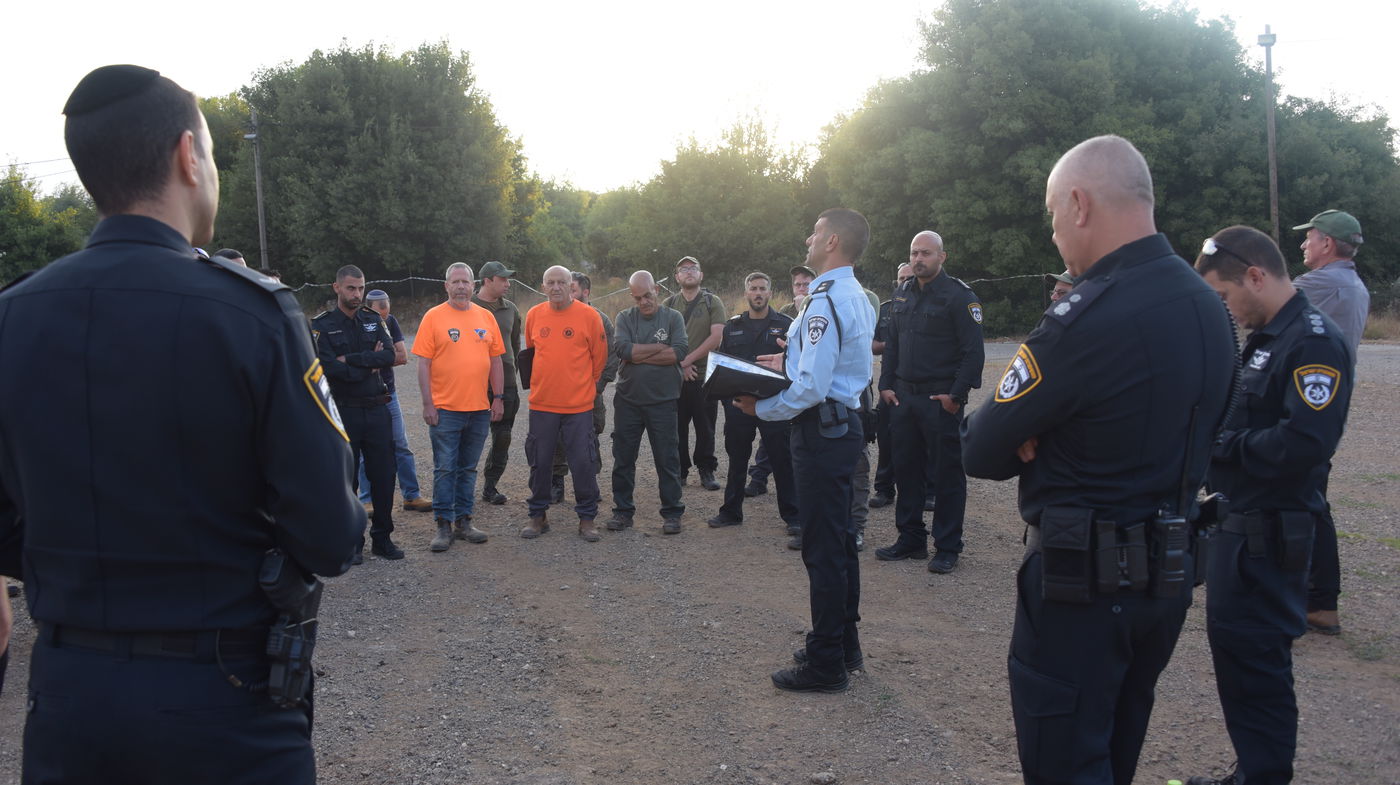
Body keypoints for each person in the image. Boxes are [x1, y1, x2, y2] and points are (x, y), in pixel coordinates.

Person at [0, 64, 361, 783]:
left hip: (69, 698)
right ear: (187, 158)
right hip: (223, 698)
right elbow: (330, 532)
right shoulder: (253, 313)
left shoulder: (12, 316)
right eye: (215, 155)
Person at [962, 135, 1234, 785]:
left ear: (1079, 204)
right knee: (1116, 749)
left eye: (1054, 216)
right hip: (1163, 582)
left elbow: (981, 445)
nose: (1055, 235)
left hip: (1080, 587)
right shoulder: (1210, 308)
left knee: (1065, 761)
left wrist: (1040, 434)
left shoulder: (1084, 318)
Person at [1185, 226, 1354, 785]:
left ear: (1255, 276)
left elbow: (1305, 444)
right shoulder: (1266, 337)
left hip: (1271, 536)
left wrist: (1219, 447)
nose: (1227, 309)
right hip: (1241, 525)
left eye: (1227, 296)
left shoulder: (1312, 342)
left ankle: (1263, 777)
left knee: (1258, 670)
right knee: (1239, 665)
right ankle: (1251, 772)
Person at [735, 208, 875, 693]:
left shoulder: (824, 301)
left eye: (815, 233)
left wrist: (763, 409)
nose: (808, 239)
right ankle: (843, 644)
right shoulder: (853, 294)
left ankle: (825, 663)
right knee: (838, 544)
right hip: (842, 429)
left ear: (832, 241)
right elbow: (831, 363)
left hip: (821, 432)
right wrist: (787, 358)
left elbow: (814, 386)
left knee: (822, 550)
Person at [875, 231, 984, 574]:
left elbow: (973, 353)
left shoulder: (959, 297)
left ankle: (948, 546)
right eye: (914, 253)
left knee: (947, 475)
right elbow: (891, 344)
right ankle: (911, 539)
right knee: (906, 470)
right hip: (903, 397)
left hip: (940, 400)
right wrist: (886, 384)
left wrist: (956, 396)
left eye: (925, 253)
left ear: (942, 257)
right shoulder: (902, 293)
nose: (918, 259)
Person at [1291, 209, 1370, 636]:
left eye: (1310, 237)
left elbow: (1263, 301)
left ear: (1327, 244)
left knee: (1306, 503)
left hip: (1313, 406)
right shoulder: (1351, 283)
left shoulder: (1322, 283)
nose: (1304, 244)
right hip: (1329, 405)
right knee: (1312, 500)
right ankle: (1319, 602)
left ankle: (1318, 601)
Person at [313, 266, 405, 561]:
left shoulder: (372, 319)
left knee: (383, 477)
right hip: (345, 412)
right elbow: (327, 368)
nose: (357, 294)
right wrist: (368, 365)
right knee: (347, 480)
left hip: (377, 409)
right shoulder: (322, 326)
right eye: (351, 288)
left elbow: (390, 355)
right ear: (336, 288)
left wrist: (351, 361)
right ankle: (352, 542)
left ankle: (383, 538)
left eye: (361, 288)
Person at [414, 262, 506, 552]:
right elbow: (423, 364)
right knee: (445, 469)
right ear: (446, 286)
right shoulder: (433, 317)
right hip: (445, 411)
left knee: (468, 469)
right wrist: (428, 404)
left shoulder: (486, 317)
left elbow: (496, 361)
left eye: (465, 282)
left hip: (478, 410)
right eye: (455, 282)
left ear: (473, 284)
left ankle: (464, 521)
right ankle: (443, 524)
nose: (461, 287)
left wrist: (498, 397)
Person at [706, 272, 799, 538]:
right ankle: (730, 512)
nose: (758, 293)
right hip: (740, 406)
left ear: (770, 293)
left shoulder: (786, 325)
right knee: (737, 460)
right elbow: (722, 367)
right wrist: (727, 400)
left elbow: (794, 365)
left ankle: (793, 516)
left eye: (762, 289)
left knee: (783, 461)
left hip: (774, 405)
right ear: (746, 294)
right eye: (753, 289)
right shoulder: (732, 326)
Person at [521, 266, 609, 540]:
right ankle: (538, 515)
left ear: (572, 286)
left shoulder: (589, 316)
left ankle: (586, 518)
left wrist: (585, 388)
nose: (556, 287)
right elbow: (533, 354)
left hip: (579, 407)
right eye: (551, 283)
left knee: (583, 462)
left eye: (562, 282)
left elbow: (600, 358)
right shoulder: (534, 315)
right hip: (542, 404)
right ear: (543, 286)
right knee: (540, 461)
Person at [610, 271, 689, 534]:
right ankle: (622, 512)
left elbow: (678, 352)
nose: (644, 301)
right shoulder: (624, 318)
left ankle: (672, 513)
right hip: (628, 400)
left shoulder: (673, 317)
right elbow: (622, 350)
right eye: (638, 298)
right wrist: (658, 347)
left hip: (663, 401)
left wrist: (638, 353)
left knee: (667, 459)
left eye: (647, 295)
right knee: (623, 458)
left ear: (657, 289)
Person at [356, 289, 432, 514]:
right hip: (364, 397)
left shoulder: (391, 321)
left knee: (401, 445)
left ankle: (412, 496)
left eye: (386, 312)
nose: (383, 319)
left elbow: (403, 356)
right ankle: (365, 499)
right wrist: (373, 359)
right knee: (364, 450)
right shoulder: (357, 323)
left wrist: (375, 358)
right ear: (367, 309)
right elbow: (354, 361)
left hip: (389, 394)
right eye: (379, 314)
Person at [747, 264, 817, 496]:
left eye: (806, 284)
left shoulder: (821, 307)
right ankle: (759, 477)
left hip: (810, 383)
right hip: (785, 383)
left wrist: (804, 310)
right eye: (798, 284)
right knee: (774, 434)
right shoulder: (787, 310)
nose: (801, 288)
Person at [871, 262, 934, 510]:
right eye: (900, 278)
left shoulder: (930, 305)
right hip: (891, 382)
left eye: (908, 277)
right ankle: (884, 489)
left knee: (924, 440)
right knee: (886, 438)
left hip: (920, 383)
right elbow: (874, 345)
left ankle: (929, 491)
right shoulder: (887, 309)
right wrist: (896, 344)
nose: (905, 281)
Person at [550, 271, 618, 500]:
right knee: (557, 437)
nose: (567, 293)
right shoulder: (552, 314)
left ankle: (589, 485)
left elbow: (611, 356)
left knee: (588, 437)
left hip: (588, 393)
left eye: (573, 289)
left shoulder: (598, 318)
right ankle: (556, 483)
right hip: (558, 392)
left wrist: (596, 387)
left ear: (586, 292)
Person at [663, 256, 726, 491]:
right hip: (675, 377)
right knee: (676, 427)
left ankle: (706, 469)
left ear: (701, 275)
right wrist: (681, 364)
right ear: (677, 277)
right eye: (683, 269)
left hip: (705, 377)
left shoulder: (712, 302)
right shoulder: (669, 304)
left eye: (693, 269)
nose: (689, 272)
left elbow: (717, 337)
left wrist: (687, 360)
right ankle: (680, 471)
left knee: (706, 426)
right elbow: (663, 338)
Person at [473, 260, 523, 506]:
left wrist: (512, 378)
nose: (507, 283)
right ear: (487, 281)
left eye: (507, 279)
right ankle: (461, 489)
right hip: (474, 385)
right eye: (502, 279)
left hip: (506, 383)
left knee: (502, 436)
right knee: (470, 437)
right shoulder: (468, 307)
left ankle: (490, 486)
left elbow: (514, 346)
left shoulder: (511, 309)